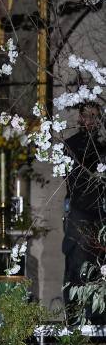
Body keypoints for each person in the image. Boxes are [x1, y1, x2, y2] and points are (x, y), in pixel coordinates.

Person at [63, 102, 106, 323]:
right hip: (80, 213)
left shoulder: (103, 145)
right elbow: (73, 179)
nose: (90, 120)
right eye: (86, 115)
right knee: (77, 266)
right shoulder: (71, 144)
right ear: (80, 118)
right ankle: (75, 319)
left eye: (94, 116)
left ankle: (99, 320)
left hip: (101, 215)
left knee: (99, 268)